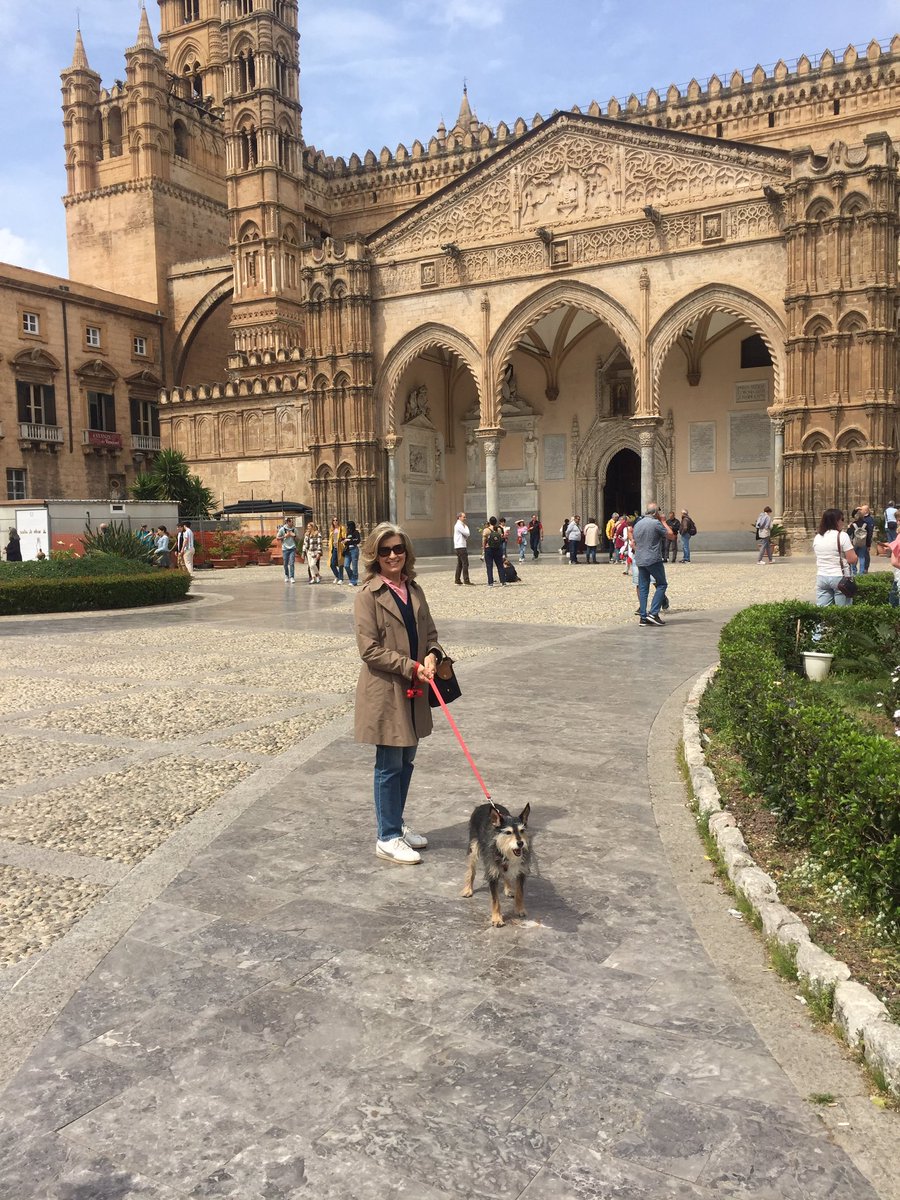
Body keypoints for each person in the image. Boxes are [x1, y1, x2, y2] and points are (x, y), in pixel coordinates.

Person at [354, 522, 444, 866]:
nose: (393, 555)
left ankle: (396, 823)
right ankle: (387, 836)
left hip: (415, 688)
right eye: (385, 550)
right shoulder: (368, 595)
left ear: (406, 552)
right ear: (375, 556)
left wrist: (433, 655)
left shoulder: (414, 589)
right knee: (389, 765)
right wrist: (412, 666)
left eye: (398, 549)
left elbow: (430, 632)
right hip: (387, 689)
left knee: (406, 761)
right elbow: (369, 650)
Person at [634, 503, 676, 626]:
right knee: (662, 584)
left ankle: (643, 617)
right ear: (655, 513)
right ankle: (653, 613)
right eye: (658, 512)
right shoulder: (655, 523)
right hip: (653, 559)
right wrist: (663, 521)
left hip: (640, 559)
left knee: (643, 588)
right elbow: (671, 536)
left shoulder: (638, 524)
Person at [813, 507, 858, 606]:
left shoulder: (818, 537)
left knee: (822, 611)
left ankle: (822, 622)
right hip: (839, 577)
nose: (843, 522)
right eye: (842, 519)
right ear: (836, 521)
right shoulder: (842, 536)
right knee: (842, 612)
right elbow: (852, 559)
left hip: (822, 576)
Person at [482, 517, 507, 587]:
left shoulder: (486, 530)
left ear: (489, 522)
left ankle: (490, 582)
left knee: (489, 566)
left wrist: (484, 548)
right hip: (498, 549)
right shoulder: (498, 529)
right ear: (496, 522)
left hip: (489, 549)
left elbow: (484, 540)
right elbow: (501, 538)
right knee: (500, 565)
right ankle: (503, 581)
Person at [855, 504, 875, 574]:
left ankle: (865, 569)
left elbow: (869, 533)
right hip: (857, 541)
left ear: (866, 511)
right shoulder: (861, 518)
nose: (860, 511)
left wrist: (868, 544)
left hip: (865, 541)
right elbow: (853, 516)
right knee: (858, 556)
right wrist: (855, 510)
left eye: (862, 510)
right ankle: (857, 570)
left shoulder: (869, 520)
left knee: (864, 556)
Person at [277, 517, 299, 583]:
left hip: (292, 548)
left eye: (293, 522)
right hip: (285, 548)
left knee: (292, 563)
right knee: (285, 563)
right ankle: (286, 575)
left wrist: (294, 535)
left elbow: (298, 539)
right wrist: (285, 536)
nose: (293, 523)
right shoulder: (282, 529)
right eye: (291, 522)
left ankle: (292, 577)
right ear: (288, 522)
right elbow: (277, 537)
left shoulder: (294, 529)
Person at [453, 512, 472, 585]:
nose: (465, 518)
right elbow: (467, 533)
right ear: (459, 517)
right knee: (465, 563)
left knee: (460, 564)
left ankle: (457, 580)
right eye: (464, 517)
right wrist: (466, 527)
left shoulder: (459, 525)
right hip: (461, 546)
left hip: (459, 546)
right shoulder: (459, 525)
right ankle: (466, 580)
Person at [343, 520, 362, 585]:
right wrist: (344, 541)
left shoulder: (356, 532)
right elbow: (347, 542)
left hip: (354, 549)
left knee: (354, 566)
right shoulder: (348, 533)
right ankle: (352, 577)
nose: (348, 527)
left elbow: (358, 540)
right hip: (348, 550)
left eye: (349, 525)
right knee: (346, 565)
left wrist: (349, 540)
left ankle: (354, 581)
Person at [328, 516, 347, 584]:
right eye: (334, 520)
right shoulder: (332, 529)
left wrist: (339, 541)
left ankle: (341, 578)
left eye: (336, 520)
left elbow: (344, 537)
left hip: (340, 548)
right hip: (333, 548)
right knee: (332, 564)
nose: (335, 521)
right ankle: (338, 576)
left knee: (340, 563)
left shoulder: (342, 528)